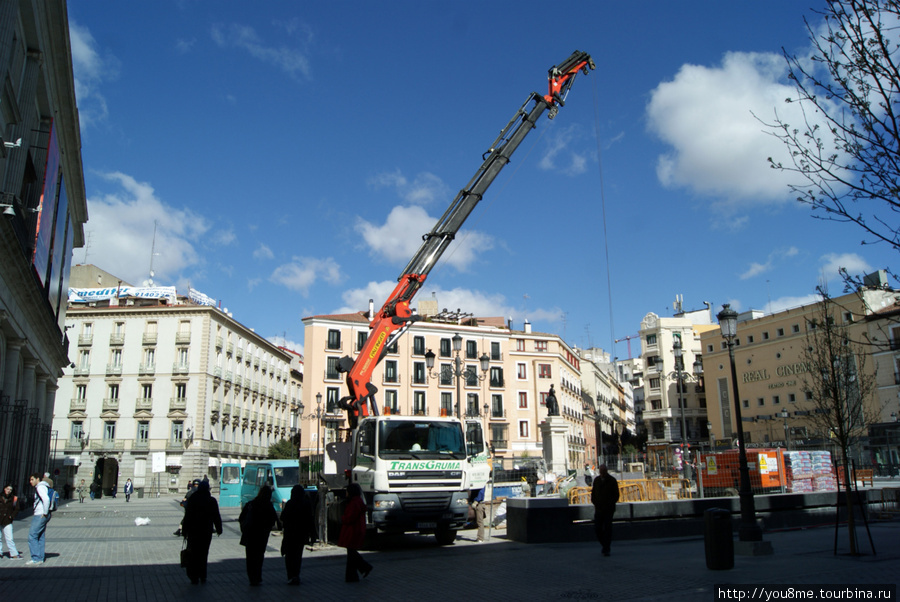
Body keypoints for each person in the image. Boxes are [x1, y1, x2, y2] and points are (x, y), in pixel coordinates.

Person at [181, 480, 222, 584]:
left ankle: (194, 576)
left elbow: (187, 516)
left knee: (193, 553)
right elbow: (216, 516)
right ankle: (202, 575)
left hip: (193, 531)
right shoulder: (211, 500)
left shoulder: (194, 499)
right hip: (206, 531)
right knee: (203, 554)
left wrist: (184, 530)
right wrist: (219, 528)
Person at [239, 485, 277, 586]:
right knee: (259, 556)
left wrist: (244, 529)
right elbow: (273, 520)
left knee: (250, 557)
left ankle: (252, 577)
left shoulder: (251, 504)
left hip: (250, 535)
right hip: (262, 536)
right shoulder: (268, 506)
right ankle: (257, 576)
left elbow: (241, 517)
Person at [280, 485, 316, 585]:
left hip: (290, 534)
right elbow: (310, 520)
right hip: (301, 534)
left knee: (289, 556)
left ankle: (290, 575)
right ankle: (296, 575)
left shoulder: (290, 504)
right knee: (297, 556)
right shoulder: (306, 504)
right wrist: (312, 535)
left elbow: (283, 517)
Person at [338, 483, 372, 582]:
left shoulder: (354, 503)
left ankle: (362, 569)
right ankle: (353, 574)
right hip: (355, 530)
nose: (346, 494)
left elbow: (350, 517)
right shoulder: (358, 502)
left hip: (352, 531)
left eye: (347, 492)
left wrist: (343, 518)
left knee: (352, 553)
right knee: (351, 553)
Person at [590, 464, 619, 557]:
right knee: (597, 528)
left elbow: (616, 495)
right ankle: (605, 545)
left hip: (608, 509)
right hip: (598, 508)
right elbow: (593, 493)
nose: (602, 473)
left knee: (607, 528)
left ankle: (606, 548)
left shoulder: (612, 481)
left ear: (606, 471)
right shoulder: (597, 480)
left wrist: (610, 504)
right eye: (601, 471)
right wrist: (595, 503)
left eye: (603, 471)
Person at [27, 472, 51, 564]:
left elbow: (46, 499)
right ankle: (40, 557)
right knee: (40, 536)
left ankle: (36, 558)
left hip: (40, 514)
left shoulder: (40, 487)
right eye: (30, 480)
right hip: (43, 514)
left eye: (32, 479)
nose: (30, 482)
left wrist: (44, 513)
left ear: (38, 479)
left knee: (32, 536)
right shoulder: (44, 486)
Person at [0, 484, 22, 559]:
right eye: (7, 489)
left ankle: (14, 554)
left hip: (7, 520)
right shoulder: (0, 497)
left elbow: (17, 509)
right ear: (4, 489)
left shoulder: (14, 498)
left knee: (9, 538)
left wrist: (11, 516)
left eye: (10, 489)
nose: (8, 491)